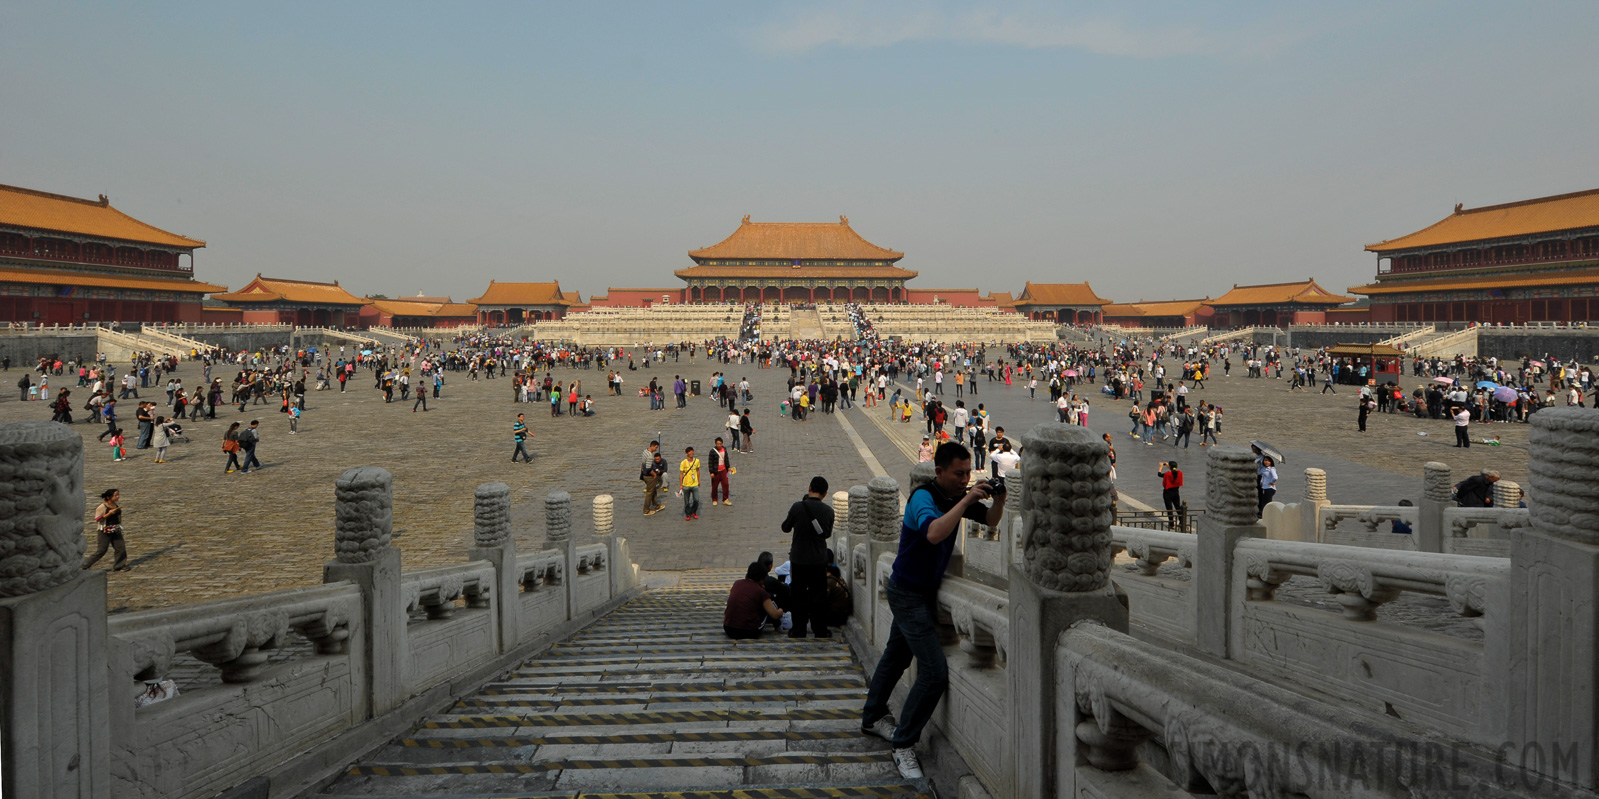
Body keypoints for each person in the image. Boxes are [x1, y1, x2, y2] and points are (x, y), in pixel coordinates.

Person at [862, 442, 1006, 779]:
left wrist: (997, 500)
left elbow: (990, 521)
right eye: (959, 473)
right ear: (939, 471)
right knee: (934, 672)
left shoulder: (956, 496)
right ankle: (903, 742)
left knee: (897, 656)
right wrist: (968, 498)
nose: (965, 479)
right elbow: (933, 533)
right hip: (907, 591)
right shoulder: (922, 498)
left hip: (923, 592)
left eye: (968, 473)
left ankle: (872, 718)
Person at [780, 476, 835, 638]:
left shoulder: (797, 507)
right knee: (819, 596)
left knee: (798, 595)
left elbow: (785, 528)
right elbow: (826, 534)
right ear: (825, 494)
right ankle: (820, 630)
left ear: (809, 487)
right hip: (818, 560)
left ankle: (798, 629)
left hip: (798, 559)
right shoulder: (828, 511)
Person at [723, 561, 783, 639]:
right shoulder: (760, 591)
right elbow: (774, 615)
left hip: (728, 629)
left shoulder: (737, 583)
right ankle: (779, 627)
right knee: (770, 601)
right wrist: (781, 611)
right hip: (749, 632)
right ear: (762, 578)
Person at [83, 488, 131, 571]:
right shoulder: (102, 507)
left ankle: (119, 565)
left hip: (115, 529)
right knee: (102, 550)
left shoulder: (115, 505)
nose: (118, 497)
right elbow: (98, 519)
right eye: (115, 495)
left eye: (118, 495)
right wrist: (108, 514)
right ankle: (85, 565)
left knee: (120, 548)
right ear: (109, 497)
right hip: (104, 530)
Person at [709, 437, 733, 506]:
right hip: (716, 471)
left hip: (723, 471)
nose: (719, 445)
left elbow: (726, 459)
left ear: (722, 444)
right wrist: (711, 472)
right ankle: (714, 499)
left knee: (726, 484)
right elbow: (710, 462)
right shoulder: (712, 451)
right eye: (717, 444)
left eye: (720, 444)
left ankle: (725, 499)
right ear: (716, 444)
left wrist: (728, 467)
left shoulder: (724, 449)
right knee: (714, 486)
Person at [679, 446, 702, 520]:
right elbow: (681, 474)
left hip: (694, 484)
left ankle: (693, 512)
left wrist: (698, 481)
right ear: (686, 453)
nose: (691, 453)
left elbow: (698, 471)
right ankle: (688, 514)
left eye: (692, 451)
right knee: (686, 501)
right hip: (686, 485)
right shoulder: (683, 463)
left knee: (696, 500)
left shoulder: (697, 461)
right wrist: (681, 485)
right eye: (689, 452)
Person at [1159, 460, 1183, 527]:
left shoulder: (1167, 474)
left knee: (1169, 509)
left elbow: (1159, 474)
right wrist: (1169, 466)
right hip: (1176, 492)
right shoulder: (1180, 473)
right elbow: (1174, 471)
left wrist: (1161, 467)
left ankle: (1171, 524)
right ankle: (1182, 522)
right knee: (1177, 507)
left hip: (1167, 493)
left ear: (1170, 467)